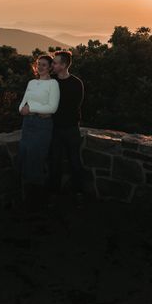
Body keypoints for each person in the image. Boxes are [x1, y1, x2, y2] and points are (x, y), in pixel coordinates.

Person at [17, 54, 60, 212]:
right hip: (28, 123)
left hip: (43, 126)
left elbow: (52, 108)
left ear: (50, 68)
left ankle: (41, 201)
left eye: (44, 65)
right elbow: (22, 104)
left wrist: (32, 109)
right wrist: (22, 110)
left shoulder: (53, 84)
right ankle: (27, 199)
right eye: (38, 64)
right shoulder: (31, 82)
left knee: (37, 158)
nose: (40, 67)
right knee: (25, 155)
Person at [46, 50, 85, 208]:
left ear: (63, 65)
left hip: (71, 129)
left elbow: (73, 106)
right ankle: (53, 195)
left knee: (75, 162)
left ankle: (78, 193)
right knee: (54, 163)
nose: (52, 65)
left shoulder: (76, 83)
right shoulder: (51, 81)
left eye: (55, 63)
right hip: (55, 129)